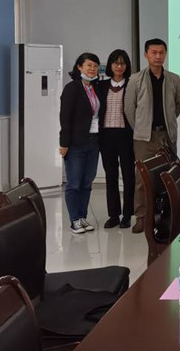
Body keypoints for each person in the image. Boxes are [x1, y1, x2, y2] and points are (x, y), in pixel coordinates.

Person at [124, 38, 180, 234]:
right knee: (142, 178)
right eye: (154, 52)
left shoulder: (174, 79)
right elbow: (129, 109)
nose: (158, 56)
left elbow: (177, 106)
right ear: (146, 55)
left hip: (166, 135)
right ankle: (142, 217)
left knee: (168, 176)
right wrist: (141, 128)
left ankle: (166, 214)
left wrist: (167, 124)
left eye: (161, 52)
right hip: (144, 138)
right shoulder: (135, 80)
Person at [59, 52, 101, 234]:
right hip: (75, 143)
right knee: (74, 182)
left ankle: (83, 217)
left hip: (93, 141)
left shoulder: (95, 88)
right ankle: (74, 220)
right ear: (79, 67)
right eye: (89, 65)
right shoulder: (72, 88)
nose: (92, 69)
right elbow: (65, 117)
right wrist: (64, 143)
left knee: (87, 182)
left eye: (95, 66)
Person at [96, 49, 135, 229]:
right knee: (110, 175)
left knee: (128, 175)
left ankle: (127, 214)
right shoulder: (101, 85)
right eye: (116, 63)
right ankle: (113, 215)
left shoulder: (132, 85)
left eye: (123, 63)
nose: (119, 66)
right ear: (110, 65)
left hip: (126, 135)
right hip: (106, 136)